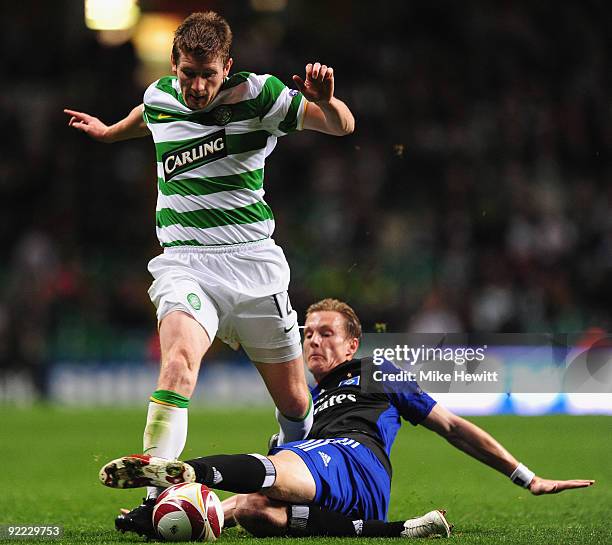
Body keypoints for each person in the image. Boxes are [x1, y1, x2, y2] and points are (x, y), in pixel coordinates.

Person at [65, 11, 355, 536]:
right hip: (185, 262)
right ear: (174, 66)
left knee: (295, 404)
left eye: (208, 76)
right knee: (177, 365)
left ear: (228, 66)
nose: (196, 87)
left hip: (253, 265)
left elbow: (342, 126)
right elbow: (144, 116)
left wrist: (327, 100)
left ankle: (298, 484)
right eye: (186, 75)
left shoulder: (261, 96)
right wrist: (109, 133)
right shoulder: (160, 97)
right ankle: (153, 497)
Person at [100, 298, 594, 539]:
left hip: (357, 461)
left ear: (353, 344)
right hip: (331, 485)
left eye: (325, 333)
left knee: (280, 467)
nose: (313, 340)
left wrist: (525, 476)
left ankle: (190, 472)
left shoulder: (375, 372)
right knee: (251, 508)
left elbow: (454, 427)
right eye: (307, 333)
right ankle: (400, 530)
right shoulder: (306, 401)